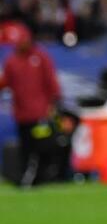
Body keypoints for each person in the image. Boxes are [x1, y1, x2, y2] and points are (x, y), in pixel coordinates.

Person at [1, 24, 63, 187]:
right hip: (22, 115)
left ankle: (40, 176)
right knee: (26, 147)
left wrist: (53, 103)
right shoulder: (11, 62)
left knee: (42, 145)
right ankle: (28, 177)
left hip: (40, 114)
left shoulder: (41, 58)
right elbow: (4, 83)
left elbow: (51, 81)